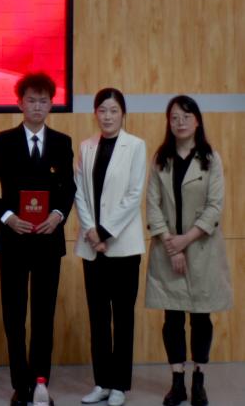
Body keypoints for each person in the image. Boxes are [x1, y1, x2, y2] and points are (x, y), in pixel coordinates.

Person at [0, 72, 76, 406]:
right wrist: (7, 217)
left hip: (48, 240)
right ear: (19, 103)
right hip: (14, 241)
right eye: (31, 100)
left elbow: (69, 188)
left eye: (43, 101)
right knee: (15, 315)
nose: (37, 106)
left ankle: (41, 383)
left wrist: (58, 215)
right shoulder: (4, 140)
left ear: (51, 105)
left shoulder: (61, 142)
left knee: (44, 316)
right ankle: (21, 384)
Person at [144, 95, 232, 406]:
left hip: (202, 249)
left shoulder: (210, 158)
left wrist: (186, 240)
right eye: (174, 117)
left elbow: (214, 206)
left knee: (201, 317)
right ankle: (177, 381)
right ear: (168, 123)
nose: (180, 122)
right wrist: (173, 245)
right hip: (168, 249)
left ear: (197, 121)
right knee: (172, 317)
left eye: (186, 116)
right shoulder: (161, 158)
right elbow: (152, 205)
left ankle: (199, 380)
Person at [74, 88, 147, 406]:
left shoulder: (136, 146)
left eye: (113, 110)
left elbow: (134, 195)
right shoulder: (86, 146)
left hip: (123, 246)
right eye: (102, 110)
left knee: (123, 317)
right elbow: (78, 191)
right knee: (98, 317)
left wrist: (105, 232)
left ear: (123, 114)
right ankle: (102, 382)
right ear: (95, 113)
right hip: (92, 246)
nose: (107, 116)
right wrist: (91, 231)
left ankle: (119, 385)